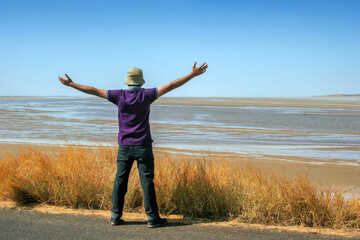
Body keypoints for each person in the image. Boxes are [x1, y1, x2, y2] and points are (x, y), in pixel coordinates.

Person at [58, 62, 208, 228]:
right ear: (142, 82)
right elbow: (172, 85)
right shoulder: (147, 95)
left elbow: (93, 90)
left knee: (120, 181)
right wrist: (192, 75)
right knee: (147, 182)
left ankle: (115, 216)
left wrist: (71, 84)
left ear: (126, 81)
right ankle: (152, 218)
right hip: (143, 146)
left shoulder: (119, 96)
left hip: (124, 147)